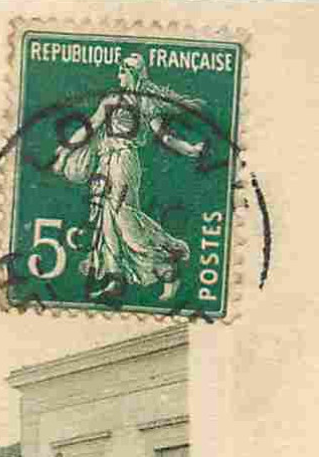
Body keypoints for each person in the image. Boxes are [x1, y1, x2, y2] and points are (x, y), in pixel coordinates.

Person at [51, 53, 208, 302]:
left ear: (133, 73)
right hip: (105, 161)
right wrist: (66, 151)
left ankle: (166, 268)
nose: (118, 76)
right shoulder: (112, 99)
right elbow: (90, 125)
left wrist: (188, 149)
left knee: (122, 214)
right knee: (106, 218)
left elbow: (164, 136)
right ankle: (115, 279)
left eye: (123, 71)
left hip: (125, 161)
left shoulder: (146, 103)